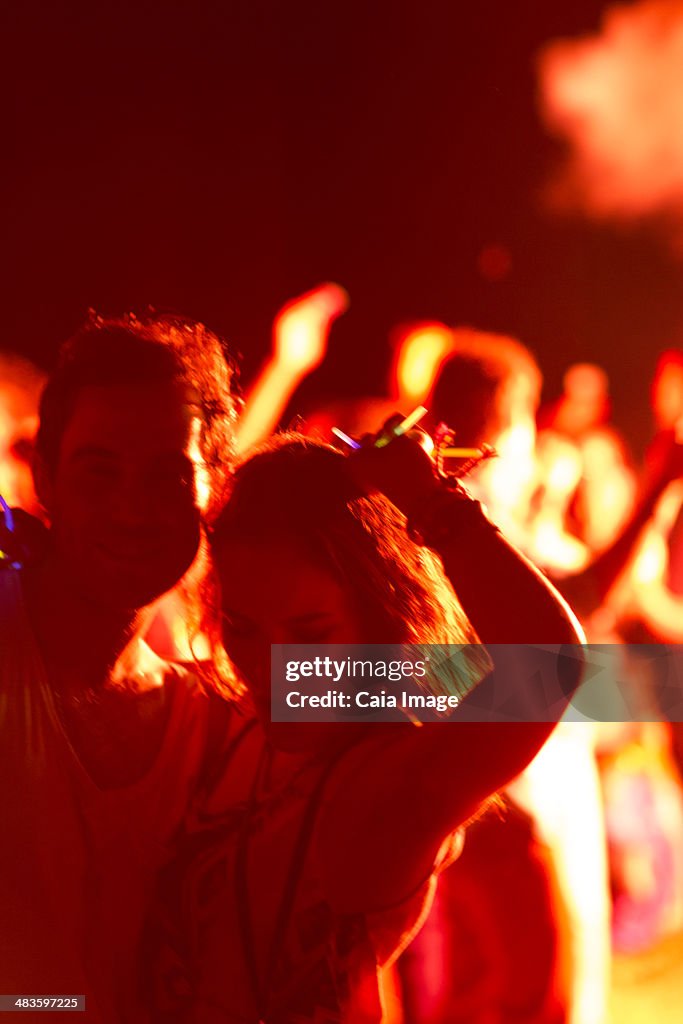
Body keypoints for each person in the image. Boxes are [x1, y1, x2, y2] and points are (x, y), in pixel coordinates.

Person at [148, 429, 584, 1024]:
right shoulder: (233, 721)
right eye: (241, 625)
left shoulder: (387, 787)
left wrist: (434, 502)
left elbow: (547, 665)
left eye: (311, 633)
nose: (272, 669)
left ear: (379, 620)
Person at [0, 312, 237, 1022]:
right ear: (44, 475)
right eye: (99, 472)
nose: (132, 510)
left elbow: (555, 680)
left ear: (212, 491)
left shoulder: (227, 708)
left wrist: (432, 513)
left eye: (167, 476)